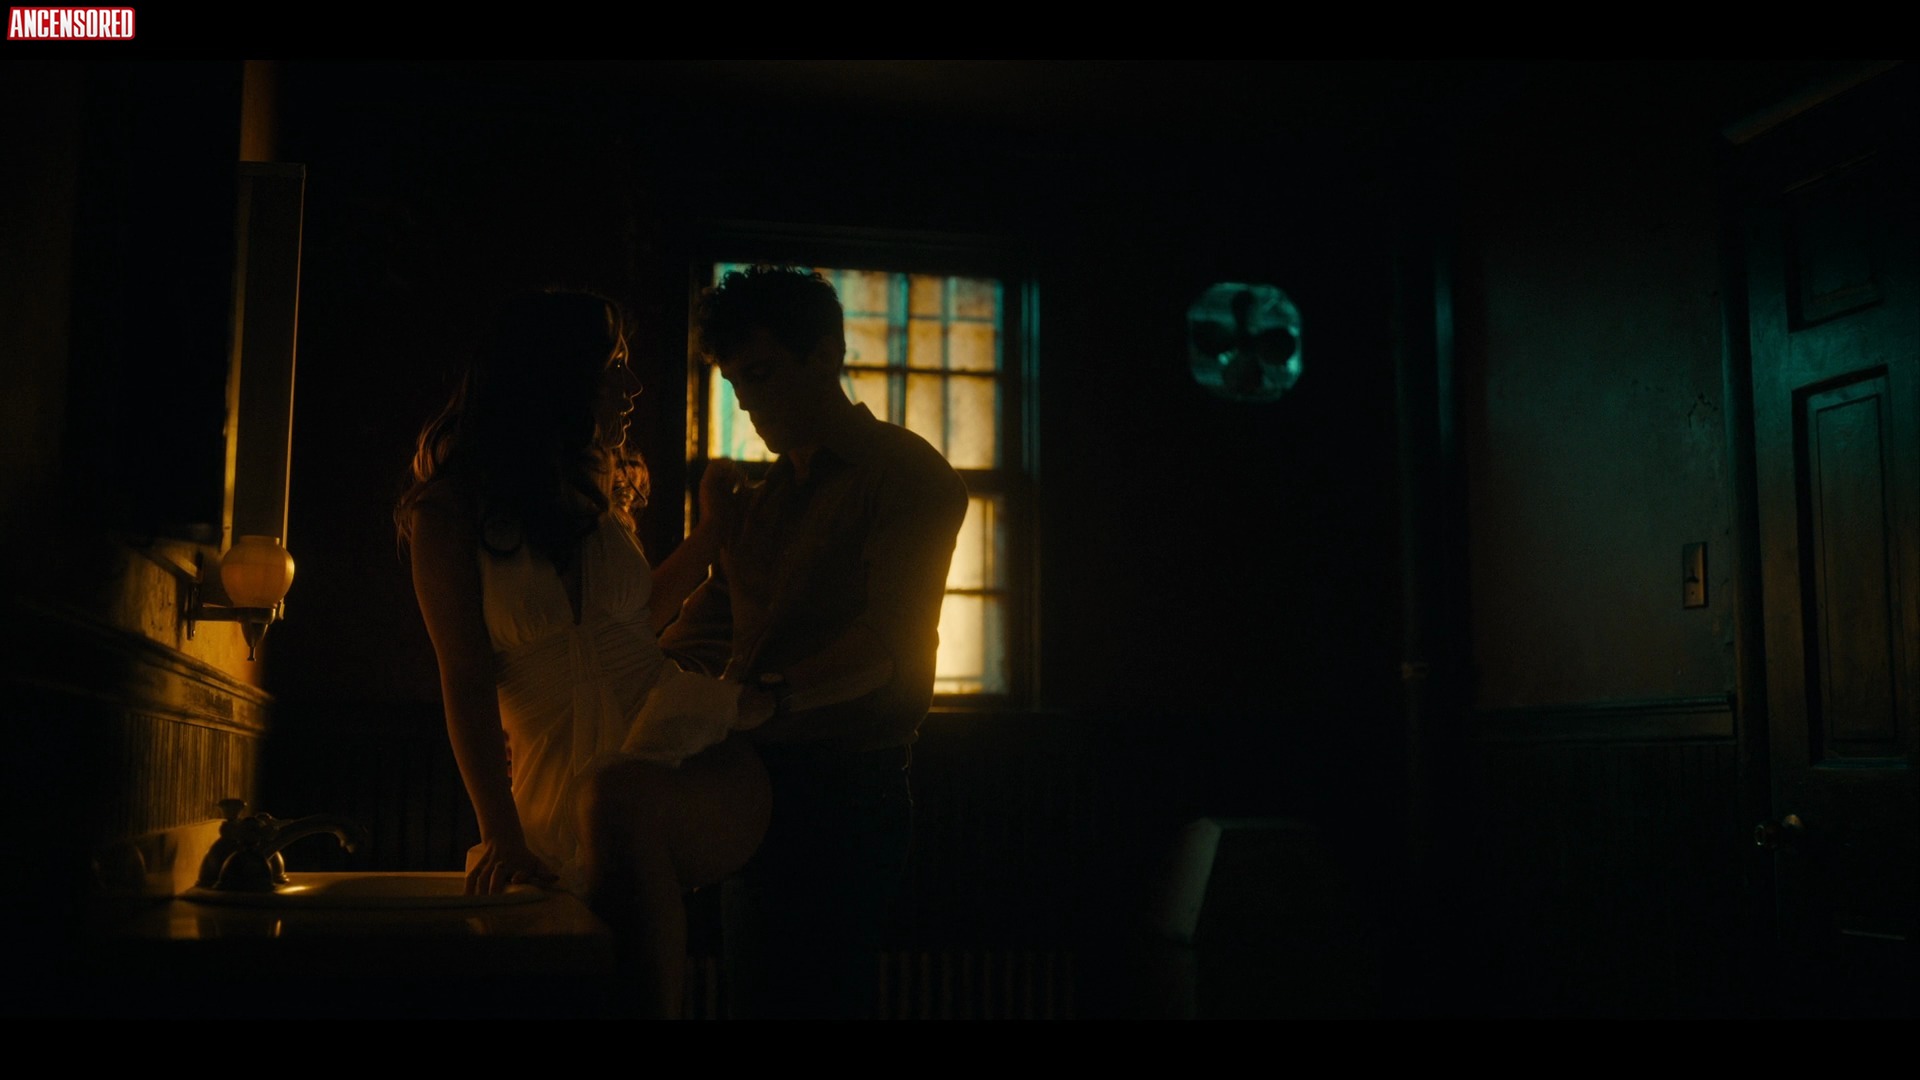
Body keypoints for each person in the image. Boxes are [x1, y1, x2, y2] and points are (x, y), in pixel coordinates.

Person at [395, 288, 773, 1018]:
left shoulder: (594, 492)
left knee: (620, 812)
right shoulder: (447, 512)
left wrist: (712, 532)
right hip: (554, 786)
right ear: (553, 378)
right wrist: (500, 834)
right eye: (612, 366)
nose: (632, 386)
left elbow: (633, 622)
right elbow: (465, 679)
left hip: (672, 744)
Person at [661, 265, 969, 1018]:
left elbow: (889, 645)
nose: (746, 400)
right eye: (735, 381)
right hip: (751, 787)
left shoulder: (905, 474)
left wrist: (768, 698)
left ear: (825, 356)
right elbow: (704, 629)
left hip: (846, 791)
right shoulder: (766, 499)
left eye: (761, 374)